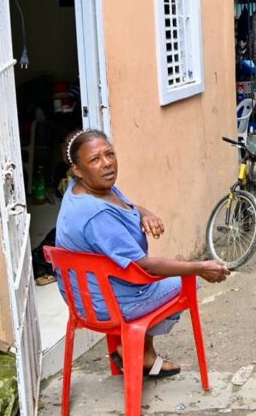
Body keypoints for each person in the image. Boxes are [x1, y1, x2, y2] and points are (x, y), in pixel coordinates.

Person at [55, 129, 230, 378]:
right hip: (105, 305)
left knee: (162, 276)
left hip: (90, 295)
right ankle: (140, 352)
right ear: (78, 170)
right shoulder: (97, 215)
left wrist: (145, 213)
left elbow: (127, 207)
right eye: (95, 159)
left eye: (110, 154)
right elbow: (145, 266)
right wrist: (199, 268)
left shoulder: (88, 190)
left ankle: (129, 347)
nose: (106, 163)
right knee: (185, 281)